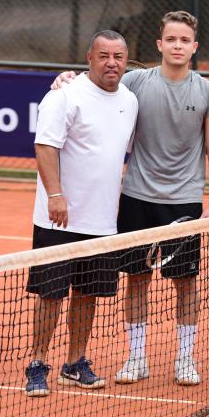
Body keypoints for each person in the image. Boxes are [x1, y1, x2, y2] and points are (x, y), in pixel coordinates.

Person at [52, 11, 209, 386]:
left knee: (186, 283)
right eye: (171, 39)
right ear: (160, 45)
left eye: (185, 40)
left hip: (183, 202)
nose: (178, 46)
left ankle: (184, 359)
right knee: (137, 280)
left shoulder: (208, 91)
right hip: (137, 197)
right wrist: (64, 80)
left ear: (194, 47)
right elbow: (96, 85)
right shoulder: (135, 82)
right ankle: (136, 358)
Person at [24, 30, 138, 397]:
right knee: (51, 295)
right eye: (103, 55)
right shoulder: (64, 95)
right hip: (58, 218)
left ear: (126, 59)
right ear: (89, 57)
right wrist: (55, 195)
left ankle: (75, 363)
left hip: (103, 221)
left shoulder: (130, 101)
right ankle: (37, 363)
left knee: (87, 295)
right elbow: (45, 146)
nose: (111, 63)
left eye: (118, 56)